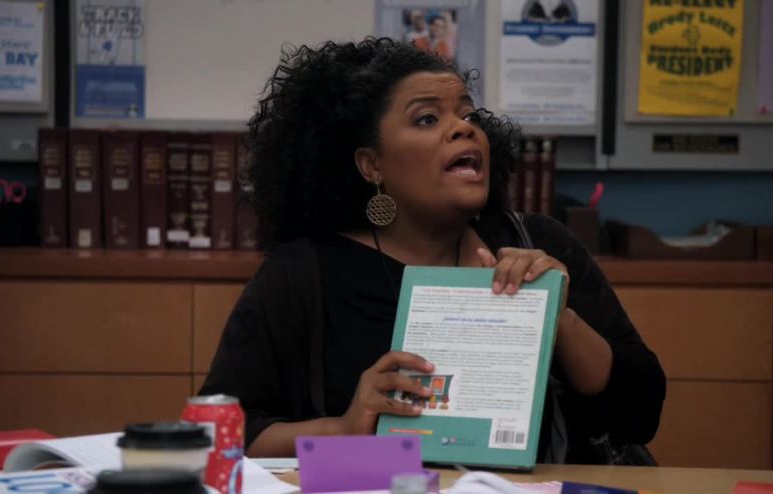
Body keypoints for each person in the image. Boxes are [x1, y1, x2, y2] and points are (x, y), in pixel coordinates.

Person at [200, 37, 665, 463]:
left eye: (469, 116)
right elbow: (222, 434)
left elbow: (641, 413)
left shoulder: (538, 244)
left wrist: (558, 316)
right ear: (371, 164)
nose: (463, 129)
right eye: (427, 118)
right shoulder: (302, 272)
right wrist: (344, 430)